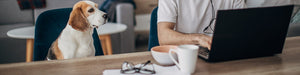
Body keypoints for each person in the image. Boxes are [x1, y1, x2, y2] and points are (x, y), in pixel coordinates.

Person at [157, 0, 247, 50]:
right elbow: (164, 37)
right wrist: (199, 38)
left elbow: (246, 27)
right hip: (185, 57)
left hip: (225, 54)